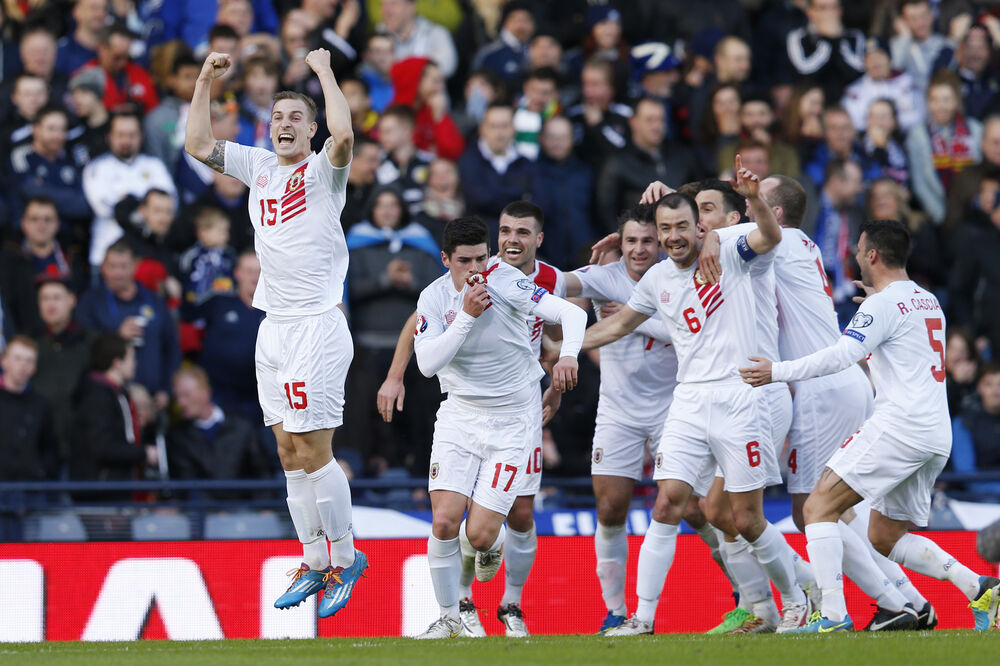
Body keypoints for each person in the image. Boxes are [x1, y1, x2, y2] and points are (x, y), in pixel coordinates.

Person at [741, 219, 1000, 632]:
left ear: (872, 255)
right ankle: (980, 588)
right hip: (935, 434)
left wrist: (777, 371)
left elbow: (842, 356)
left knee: (817, 508)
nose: (857, 256)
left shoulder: (881, 306)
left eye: (860, 250)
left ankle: (832, 617)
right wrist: (876, 303)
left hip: (900, 426)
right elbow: (898, 337)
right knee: (884, 536)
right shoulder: (928, 301)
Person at [582, 164, 805, 636]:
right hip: (688, 400)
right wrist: (559, 347)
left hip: (741, 395)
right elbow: (617, 325)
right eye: (665, 229)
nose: (673, 236)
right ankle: (641, 618)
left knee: (743, 516)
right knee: (668, 505)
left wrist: (754, 200)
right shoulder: (659, 277)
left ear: (698, 227)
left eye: (682, 226)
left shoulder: (734, 252)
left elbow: (769, 235)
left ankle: (795, 598)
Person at [185, 48, 366, 618]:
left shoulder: (323, 171)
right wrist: (204, 81)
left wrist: (324, 73)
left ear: (310, 130)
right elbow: (195, 144)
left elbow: (344, 133)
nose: (283, 125)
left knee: (316, 451)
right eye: (277, 117)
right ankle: (313, 562)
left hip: (317, 324)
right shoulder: (258, 167)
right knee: (287, 451)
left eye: (295, 119)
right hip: (275, 327)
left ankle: (347, 556)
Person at [377, 202, 570, 638]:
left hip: (519, 408)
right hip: (464, 409)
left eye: (522, 231)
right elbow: (421, 331)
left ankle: (511, 603)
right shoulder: (450, 288)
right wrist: (394, 375)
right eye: (506, 231)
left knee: (516, 515)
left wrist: (555, 382)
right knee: (446, 521)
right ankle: (455, 609)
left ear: (538, 238)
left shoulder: (541, 280)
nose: (511, 240)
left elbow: (562, 330)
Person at [562, 205, 683, 633]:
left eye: (648, 240)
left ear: (662, 242)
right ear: (619, 241)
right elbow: (557, 282)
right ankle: (615, 610)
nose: (639, 249)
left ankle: (745, 597)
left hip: (675, 407)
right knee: (610, 508)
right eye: (631, 240)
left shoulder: (678, 275)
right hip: (618, 409)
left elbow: (688, 329)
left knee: (698, 509)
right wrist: (513, 260)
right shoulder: (603, 277)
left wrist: (632, 319)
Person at [76, 240, 180, 407]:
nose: (118, 273)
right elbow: (83, 349)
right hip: (109, 399)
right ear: (102, 267)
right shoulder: (90, 302)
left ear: (134, 266)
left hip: (153, 400)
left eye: (123, 266)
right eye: (112, 266)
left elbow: (171, 347)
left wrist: (166, 389)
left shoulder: (153, 300)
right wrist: (116, 337)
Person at [82, 111, 177, 269]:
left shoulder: (155, 166)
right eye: (120, 135)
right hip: (106, 256)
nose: (126, 140)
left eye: (132, 135)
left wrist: (127, 200)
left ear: (141, 136)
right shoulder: (97, 168)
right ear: (109, 136)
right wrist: (146, 205)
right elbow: (105, 209)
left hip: (150, 255)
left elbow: (170, 203)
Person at [596, 97, 696, 235]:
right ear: (633, 122)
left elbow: (696, 194)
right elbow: (606, 211)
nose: (656, 126)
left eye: (660, 120)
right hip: (640, 244)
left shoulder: (682, 156)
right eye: (649, 120)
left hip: (682, 238)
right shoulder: (617, 164)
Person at [70, 333, 157, 487]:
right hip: (101, 490)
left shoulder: (116, 394)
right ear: (117, 363)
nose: (135, 364)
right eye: (131, 359)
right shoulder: (97, 397)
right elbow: (102, 447)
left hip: (114, 486)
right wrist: (143, 452)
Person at [167, 365, 271, 487]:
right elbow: (186, 484)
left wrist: (262, 505)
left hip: (244, 504)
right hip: (199, 505)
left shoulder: (241, 426)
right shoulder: (177, 436)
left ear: (206, 392)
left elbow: (262, 472)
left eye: (186, 395)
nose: (180, 403)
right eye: (177, 397)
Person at [31, 277, 97, 465]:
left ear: (72, 300)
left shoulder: (91, 342)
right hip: (41, 447)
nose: (50, 304)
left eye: (56, 298)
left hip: (82, 446)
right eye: (44, 298)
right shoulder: (30, 344)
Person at [906, 71, 982, 225]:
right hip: (938, 216)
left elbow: (980, 173)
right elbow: (919, 184)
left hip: (974, 211)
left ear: (956, 101)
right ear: (928, 103)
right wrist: (942, 218)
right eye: (935, 100)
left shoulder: (975, 129)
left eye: (946, 100)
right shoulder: (917, 136)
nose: (941, 106)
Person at [456, 104, 536, 240]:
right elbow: (479, 199)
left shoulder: (526, 164)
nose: (499, 133)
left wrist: (494, 195)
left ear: (513, 129)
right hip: (478, 244)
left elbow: (538, 203)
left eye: (504, 126)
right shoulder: (467, 160)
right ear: (482, 129)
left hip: (519, 245)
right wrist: (520, 197)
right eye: (493, 126)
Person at [8, 105, 92, 234]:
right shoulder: (22, 156)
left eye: (62, 130)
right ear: (35, 129)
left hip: (68, 238)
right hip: (25, 237)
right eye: (51, 129)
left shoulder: (71, 159)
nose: (58, 136)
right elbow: (30, 190)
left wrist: (46, 190)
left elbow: (83, 205)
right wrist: (66, 198)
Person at [0, 335, 58, 481]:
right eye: (17, 358)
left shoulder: (41, 405)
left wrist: (41, 472)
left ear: (34, 367)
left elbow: (49, 447)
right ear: (4, 361)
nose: (23, 365)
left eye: (29, 360)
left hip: (30, 488)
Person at [841, 37, 923, 133]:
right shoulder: (854, 91)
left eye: (879, 56)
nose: (875, 62)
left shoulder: (907, 82)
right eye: (869, 58)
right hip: (867, 139)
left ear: (889, 58)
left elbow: (919, 115)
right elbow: (852, 122)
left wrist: (893, 124)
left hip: (902, 137)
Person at [951, 362, 1000, 497]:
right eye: (989, 384)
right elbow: (966, 474)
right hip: (976, 500)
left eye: (999, 384)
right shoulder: (964, 422)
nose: (996, 390)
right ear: (979, 387)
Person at [378, 0, 457, 79]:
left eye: (393, 4)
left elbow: (446, 67)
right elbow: (370, 73)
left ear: (411, 7)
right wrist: (425, 66)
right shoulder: (377, 37)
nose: (386, 11)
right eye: (383, 5)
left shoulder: (436, 34)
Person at [178, 207, 237, 306]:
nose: (226, 236)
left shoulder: (229, 255)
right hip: (196, 306)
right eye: (221, 231)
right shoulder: (191, 256)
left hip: (224, 305)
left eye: (226, 231)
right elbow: (185, 281)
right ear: (203, 232)